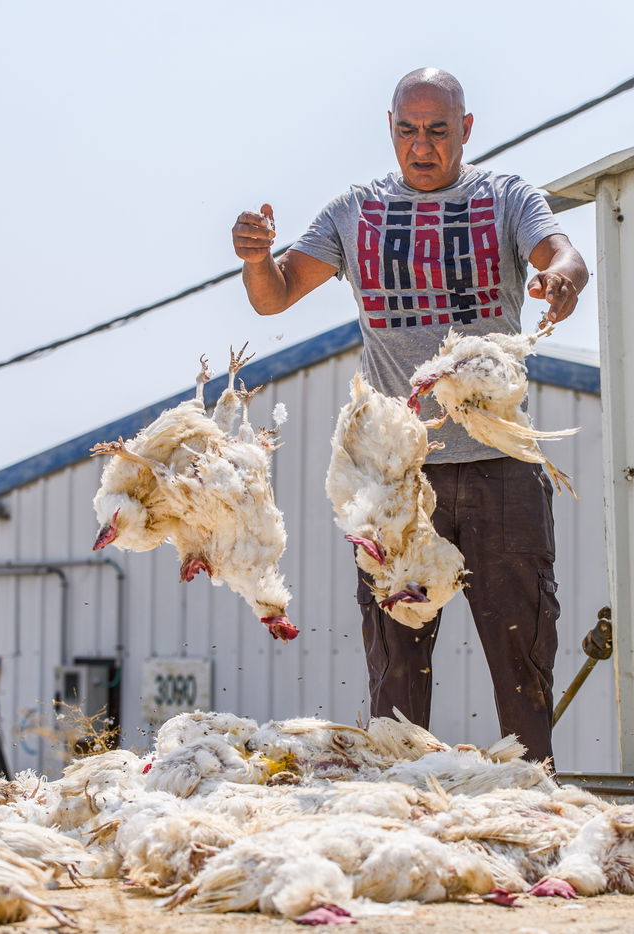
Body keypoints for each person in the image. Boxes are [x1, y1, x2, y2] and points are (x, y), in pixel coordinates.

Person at [231, 67, 588, 763]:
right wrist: (255, 257)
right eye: (407, 130)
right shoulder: (352, 211)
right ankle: (397, 801)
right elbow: (273, 299)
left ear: (466, 129)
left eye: (438, 131)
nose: (422, 146)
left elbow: (564, 254)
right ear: (389, 128)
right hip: (396, 481)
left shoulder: (505, 198)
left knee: (522, 655)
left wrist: (560, 280)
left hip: (500, 470)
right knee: (396, 667)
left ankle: (534, 799)